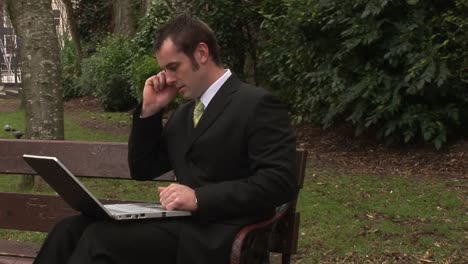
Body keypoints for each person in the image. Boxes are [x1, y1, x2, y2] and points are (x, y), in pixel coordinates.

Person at [33, 13, 296, 264]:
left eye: (173, 67)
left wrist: (199, 198)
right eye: (164, 70)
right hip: (178, 226)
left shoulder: (256, 104)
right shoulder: (184, 115)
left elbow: (279, 182)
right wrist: (150, 111)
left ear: (201, 53)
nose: (168, 78)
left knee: (100, 239)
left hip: (219, 236)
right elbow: (143, 168)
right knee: (68, 230)